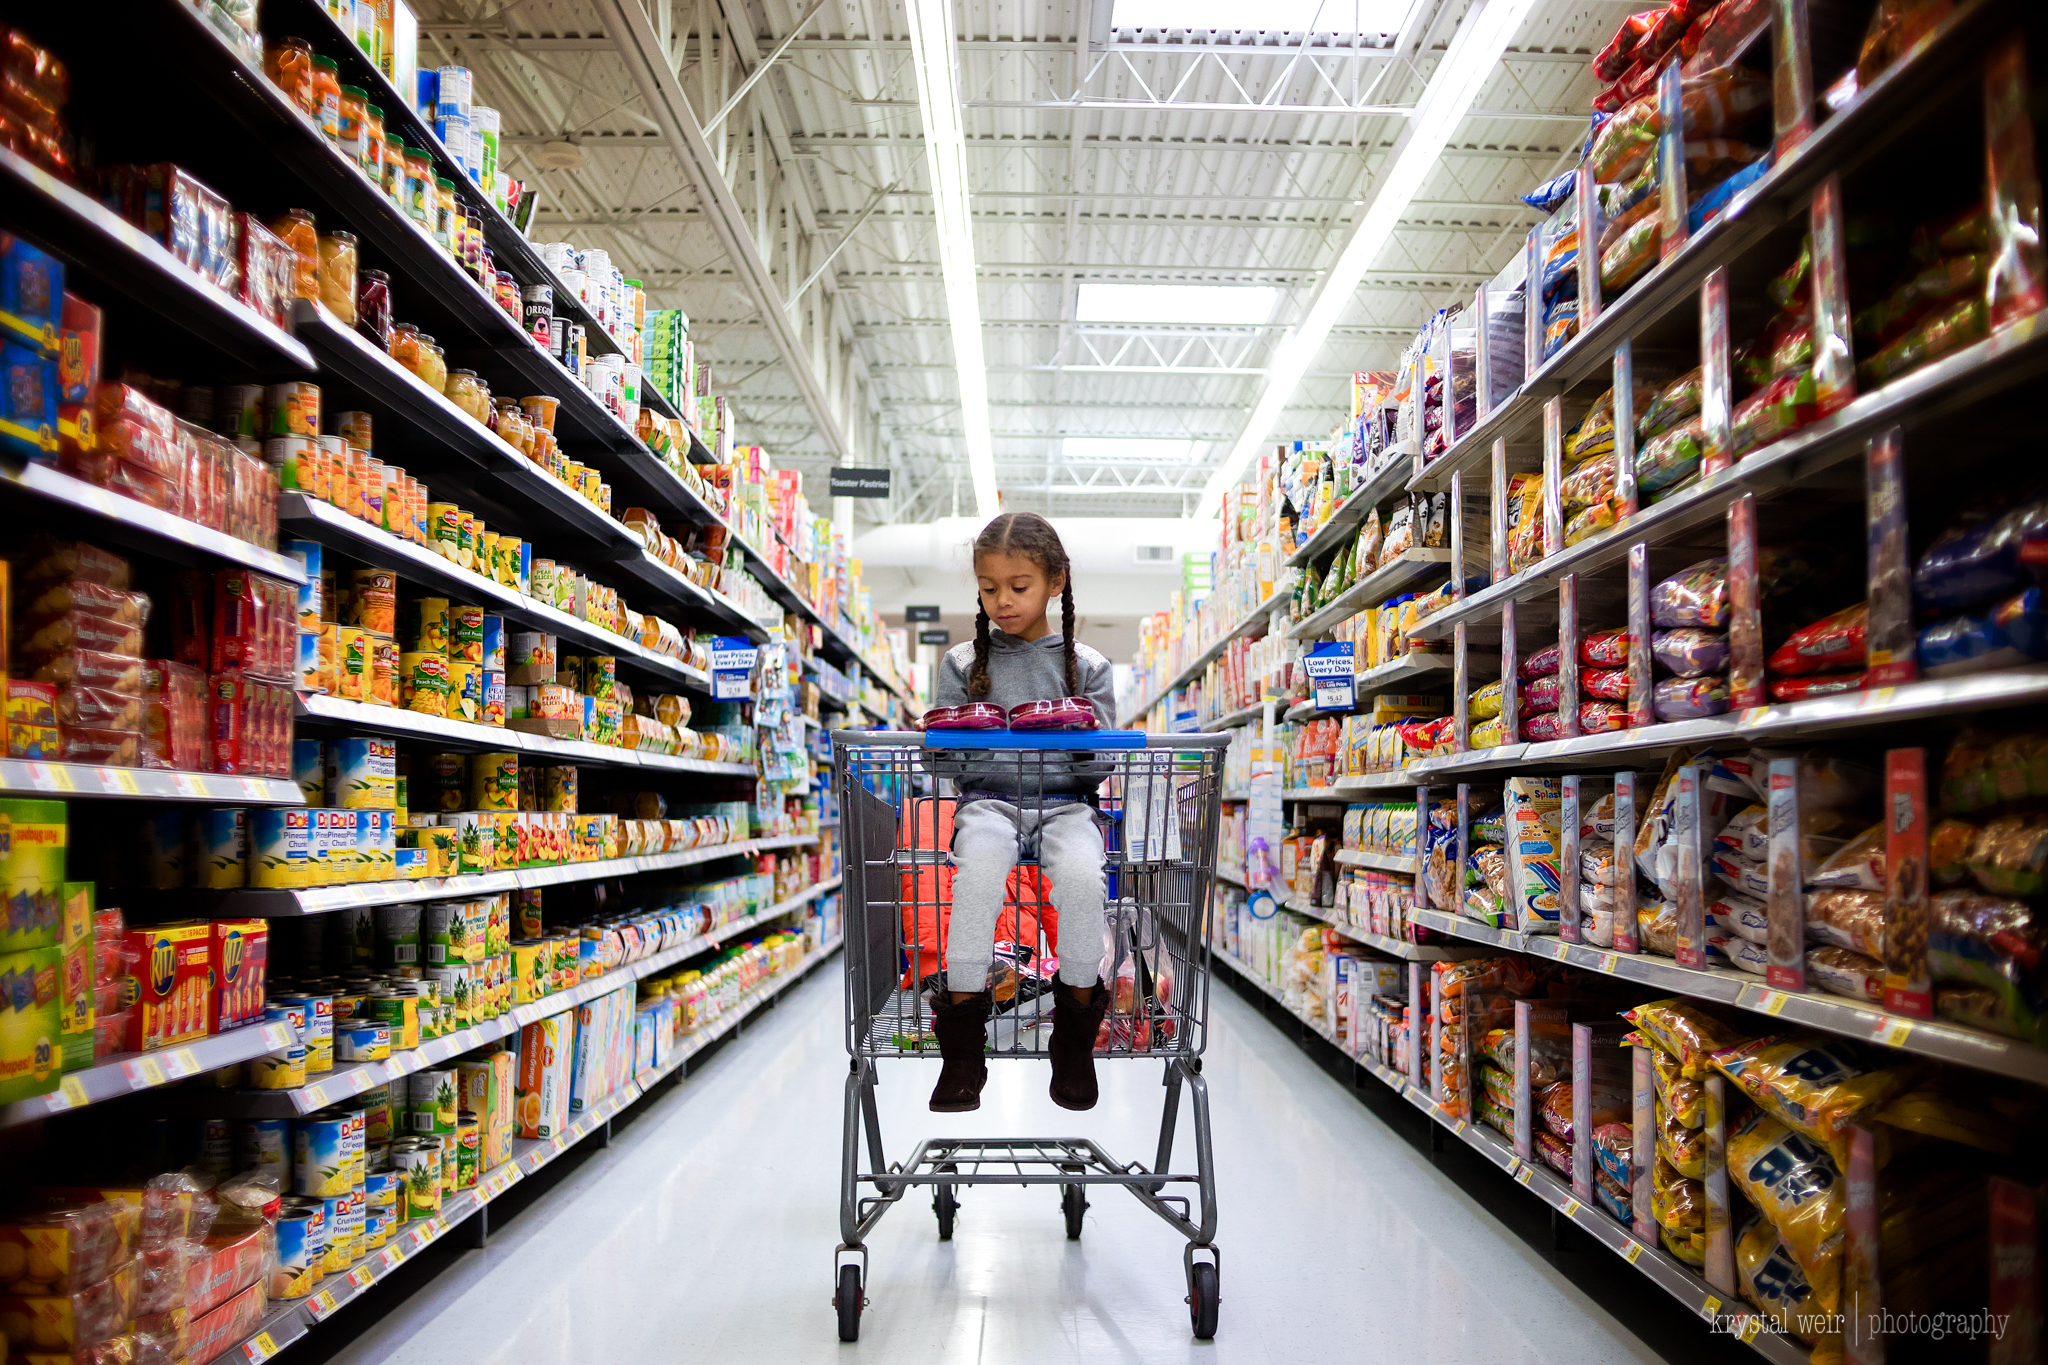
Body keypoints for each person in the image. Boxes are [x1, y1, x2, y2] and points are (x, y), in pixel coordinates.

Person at [926, 512, 1116, 1115]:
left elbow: (1097, 771)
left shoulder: (1088, 667)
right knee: (976, 882)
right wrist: (963, 741)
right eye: (988, 588)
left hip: (1066, 805)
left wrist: (1077, 733)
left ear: (1055, 582)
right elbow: (945, 768)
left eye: (1018, 586)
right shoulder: (960, 664)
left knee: (1086, 884)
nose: (1002, 601)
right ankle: (962, 1052)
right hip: (988, 802)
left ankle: (1074, 1040)